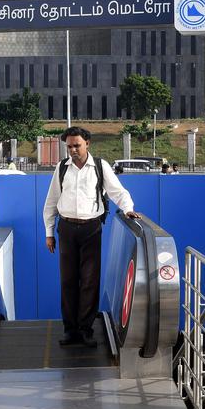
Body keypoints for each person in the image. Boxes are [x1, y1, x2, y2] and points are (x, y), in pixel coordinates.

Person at [43, 127, 139, 347]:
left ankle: (85, 330)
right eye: (69, 146)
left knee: (89, 280)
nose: (73, 150)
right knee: (68, 281)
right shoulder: (61, 169)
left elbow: (118, 192)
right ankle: (70, 330)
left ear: (87, 143)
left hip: (91, 229)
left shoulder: (99, 166)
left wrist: (128, 209)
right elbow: (50, 203)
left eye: (77, 145)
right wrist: (49, 233)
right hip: (66, 229)